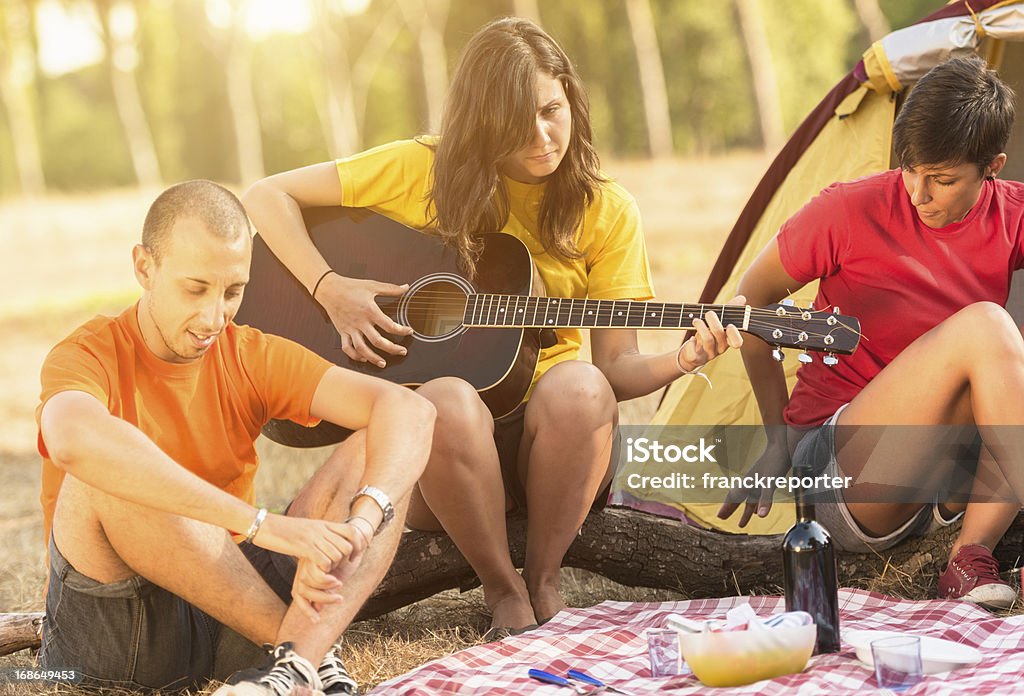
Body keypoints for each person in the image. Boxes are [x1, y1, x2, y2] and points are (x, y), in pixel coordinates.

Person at [242, 16, 742, 637]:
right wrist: (331, 289)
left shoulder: (606, 210)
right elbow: (264, 196)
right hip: (438, 459)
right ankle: (501, 586)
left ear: (572, 102)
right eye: (515, 121)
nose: (542, 135)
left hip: (555, 458)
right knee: (446, 397)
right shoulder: (419, 170)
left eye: (552, 110)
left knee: (584, 386)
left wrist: (686, 359)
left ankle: (544, 578)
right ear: (480, 124)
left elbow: (616, 371)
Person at [36, 180, 436, 695]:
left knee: (378, 446)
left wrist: (362, 523)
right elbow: (71, 439)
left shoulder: (247, 352)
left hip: (229, 603)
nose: (214, 317)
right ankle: (304, 651)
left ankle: (289, 670)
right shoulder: (88, 352)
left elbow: (409, 410)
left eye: (232, 292)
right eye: (195, 288)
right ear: (144, 268)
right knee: (104, 472)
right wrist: (260, 526)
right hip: (120, 633)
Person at [718, 55, 1024, 609]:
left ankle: (969, 557)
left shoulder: (1014, 215)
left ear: (992, 167)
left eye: (943, 179)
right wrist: (775, 437)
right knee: (988, 326)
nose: (918, 193)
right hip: (845, 475)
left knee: (1005, 350)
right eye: (911, 169)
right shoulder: (846, 210)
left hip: (949, 481)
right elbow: (750, 302)